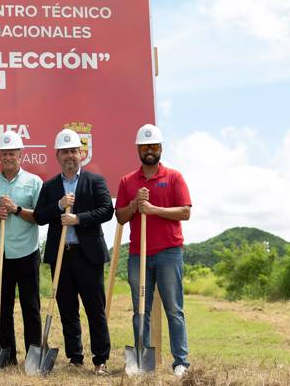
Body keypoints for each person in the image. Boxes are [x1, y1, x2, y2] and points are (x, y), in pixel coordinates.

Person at [34, 128, 113, 375]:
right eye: (64, 152)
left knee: (94, 309)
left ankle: (100, 359)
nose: (69, 156)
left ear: (81, 153)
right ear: (57, 155)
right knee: (67, 310)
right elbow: (38, 217)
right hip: (61, 255)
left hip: (88, 255)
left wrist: (78, 218)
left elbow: (106, 211)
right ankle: (75, 357)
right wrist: (58, 206)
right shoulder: (50, 187)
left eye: (73, 151)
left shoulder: (95, 181)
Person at [115, 123, 192, 378]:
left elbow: (185, 211)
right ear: (138, 149)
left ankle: (181, 361)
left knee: (174, 309)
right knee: (140, 309)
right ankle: (141, 358)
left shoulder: (174, 177)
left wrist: (153, 209)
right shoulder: (128, 181)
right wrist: (136, 204)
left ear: (161, 148)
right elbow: (121, 217)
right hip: (139, 255)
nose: (149, 150)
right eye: (145, 146)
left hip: (169, 253)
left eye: (154, 146)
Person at [0, 130, 43, 366]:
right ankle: (7, 357)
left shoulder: (34, 182)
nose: (7, 157)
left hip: (27, 253)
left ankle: (33, 356)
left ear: (20, 154)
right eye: (3, 153)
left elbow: (40, 217)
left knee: (31, 308)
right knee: (2, 308)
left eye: (12, 153)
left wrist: (16, 209)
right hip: (0, 254)